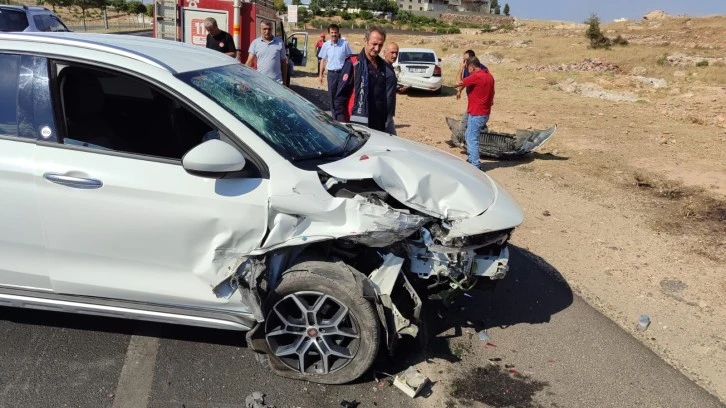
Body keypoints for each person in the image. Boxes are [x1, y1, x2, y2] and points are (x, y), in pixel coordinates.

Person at [335, 26, 392, 132]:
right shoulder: (353, 64)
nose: (377, 48)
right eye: (374, 44)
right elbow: (340, 98)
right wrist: (341, 125)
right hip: (356, 125)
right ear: (365, 41)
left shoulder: (383, 67)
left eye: (380, 45)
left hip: (378, 125)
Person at [454, 56, 495, 169]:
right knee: (468, 135)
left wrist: (461, 68)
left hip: (477, 113)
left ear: (471, 67)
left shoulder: (477, 76)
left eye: (468, 69)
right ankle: (471, 158)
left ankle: (475, 165)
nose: (468, 71)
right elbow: (493, 93)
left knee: (472, 139)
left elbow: (456, 83)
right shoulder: (489, 76)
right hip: (484, 112)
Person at [453, 49, 489, 144]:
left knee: (466, 121)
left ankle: (462, 139)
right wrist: (460, 90)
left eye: (465, 60)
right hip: (474, 102)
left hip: (478, 104)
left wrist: (460, 68)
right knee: (478, 123)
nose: (464, 62)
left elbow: (457, 82)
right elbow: (466, 81)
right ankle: (481, 138)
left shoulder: (481, 70)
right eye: (463, 60)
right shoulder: (469, 69)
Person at [318, 24, 353, 116]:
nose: (334, 34)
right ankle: (334, 117)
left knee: (342, 95)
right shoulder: (326, 45)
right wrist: (320, 75)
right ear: (329, 33)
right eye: (332, 32)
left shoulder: (344, 44)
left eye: (335, 32)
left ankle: (342, 116)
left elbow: (351, 58)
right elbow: (323, 60)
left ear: (338, 33)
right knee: (332, 95)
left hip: (343, 74)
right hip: (331, 75)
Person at [383, 41, 406, 135]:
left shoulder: (390, 68)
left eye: (396, 53)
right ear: (385, 52)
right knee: (391, 137)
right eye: (392, 52)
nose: (394, 55)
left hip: (389, 110)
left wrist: (398, 89)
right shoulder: (382, 69)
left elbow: (387, 86)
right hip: (383, 111)